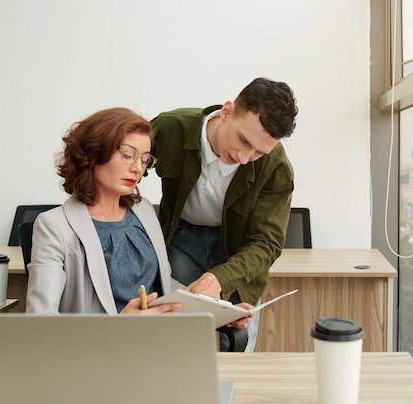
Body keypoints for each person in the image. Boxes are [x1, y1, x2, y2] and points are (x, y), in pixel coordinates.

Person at [25, 107, 253, 326]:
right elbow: (40, 320)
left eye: (144, 160)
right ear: (93, 153)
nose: (137, 168)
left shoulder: (143, 211)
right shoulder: (54, 225)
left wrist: (218, 311)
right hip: (99, 355)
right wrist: (121, 326)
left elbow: (164, 287)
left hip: (159, 345)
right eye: (127, 155)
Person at [150, 77, 298, 351]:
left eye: (258, 153)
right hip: (181, 240)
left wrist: (221, 278)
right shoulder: (171, 128)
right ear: (227, 112)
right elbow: (123, 161)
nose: (245, 158)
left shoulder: (277, 167)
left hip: (238, 254)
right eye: (244, 140)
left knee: (236, 346)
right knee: (176, 341)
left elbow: (267, 243)